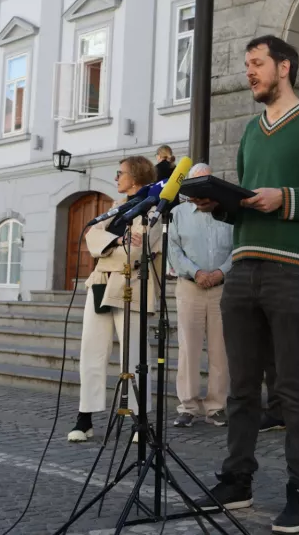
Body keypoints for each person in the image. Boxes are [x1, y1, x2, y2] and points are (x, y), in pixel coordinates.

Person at [194, 35, 299, 533]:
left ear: (284, 67)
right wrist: (219, 203)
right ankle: (237, 480)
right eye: (247, 66)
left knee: (291, 388)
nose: (250, 73)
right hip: (244, 269)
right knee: (240, 386)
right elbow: (246, 202)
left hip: (292, 270)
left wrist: (282, 197)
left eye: (257, 64)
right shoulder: (249, 130)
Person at [68, 156, 161, 443]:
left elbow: (138, 252)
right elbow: (91, 237)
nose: (116, 178)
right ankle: (85, 418)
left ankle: (139, 418)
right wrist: (117, 243)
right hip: (100, 284)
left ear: (135, 177)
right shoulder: (116, 208)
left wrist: (108, 246)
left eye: (120, 173)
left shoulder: (155, 209)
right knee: (91, 351)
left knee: (134, 355)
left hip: (131, 285)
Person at [169, 163, 233, 428]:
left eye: (206, 182)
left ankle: (216, 406)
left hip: (222, 287)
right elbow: (173, 248)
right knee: (188, 348)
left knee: (221, 349)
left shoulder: (228, 212)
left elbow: (239, 245)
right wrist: (196, 273)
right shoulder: (177, 213)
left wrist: (220, 272)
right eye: (196, 184)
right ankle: (188, 406)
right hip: (189, 286)